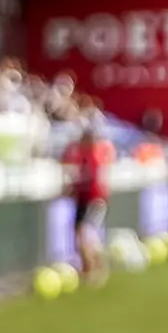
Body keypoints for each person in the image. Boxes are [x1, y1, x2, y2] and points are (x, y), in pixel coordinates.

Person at [64, 114, 113, 284]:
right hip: (85, 199)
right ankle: (91, 267)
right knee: (82, 234)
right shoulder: (81, 155)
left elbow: (92, 180)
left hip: (93, 199)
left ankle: (91, 269)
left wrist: (73, 187)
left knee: (83, 234)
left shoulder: (94, 157)